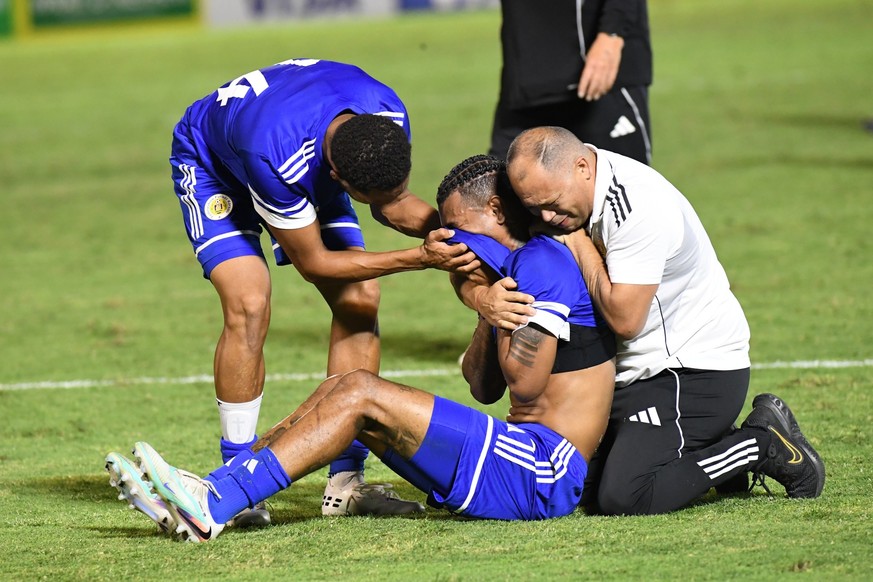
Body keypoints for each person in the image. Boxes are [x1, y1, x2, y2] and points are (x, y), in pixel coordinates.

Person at [104, 154, 616, 541]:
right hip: (515, 456)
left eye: (459, 226)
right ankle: (220, 492)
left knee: (362, 394)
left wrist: (499, 308)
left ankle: (212, 506)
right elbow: (483, 388)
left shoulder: (543, 266)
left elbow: (523, 380)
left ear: (498, 209)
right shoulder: (513, 268)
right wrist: (486, 308)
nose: (455, 242)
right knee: (348, 387)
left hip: (545, 472)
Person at [159, 57, 492, 526]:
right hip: (218, 162)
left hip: (304, 149)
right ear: (339, 180)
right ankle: (235, 478)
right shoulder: (273, 153)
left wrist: (470, 241)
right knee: (248, 302)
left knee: (361, 300)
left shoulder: (386, 116)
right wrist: (421, 258)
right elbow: (315, 263)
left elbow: (391, 205)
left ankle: (346, 484)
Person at [503, 126, 826, 515]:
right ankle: (710, 455)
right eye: (535, 208)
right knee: (574, 485)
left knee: (625, 496)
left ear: (583, 166)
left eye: (552, 204)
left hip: (691, 371)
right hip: (637, 375)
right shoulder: (572, 192)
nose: (547, 217)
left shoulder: (637, 206)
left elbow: (626, 319)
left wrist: (577, 241)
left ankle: (759, 444)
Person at [489, 0, 653, 165]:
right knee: (492, 185)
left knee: (617, 184)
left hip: (597, 77)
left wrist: (612, 33)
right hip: (524, 84)